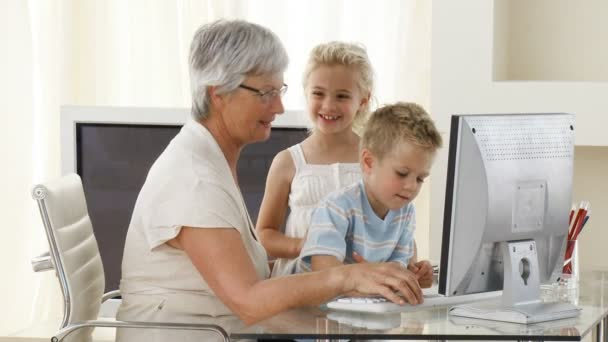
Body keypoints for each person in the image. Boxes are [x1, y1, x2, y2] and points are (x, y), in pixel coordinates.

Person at [116, 20, 423, 342]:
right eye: (266, 93)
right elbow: (250, 301)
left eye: (280, 91)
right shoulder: (195, 183)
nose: (278, 106)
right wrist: (348, 276)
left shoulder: (209, 160)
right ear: (219, 93)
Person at [294, 102, 442, 289]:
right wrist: (370, 277)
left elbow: (397, 270)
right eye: (402, 174)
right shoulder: (336, 208)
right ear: (368, 162)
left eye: (420, 178)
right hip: (306, 311)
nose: (412, 186)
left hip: (360, 307)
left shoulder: (405, 212)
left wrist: (414, 275)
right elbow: (324, 277)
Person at [256, 41, 373, 277]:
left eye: (342, 96)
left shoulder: (376, 159)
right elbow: (264, 233)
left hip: (359, 289)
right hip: (298, 288)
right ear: (306, 93)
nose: (328, 105)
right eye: (318, 93)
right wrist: (302, 245)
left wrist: (409, 265)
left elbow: (396, 225)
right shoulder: (288, 161)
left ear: (362, 101)